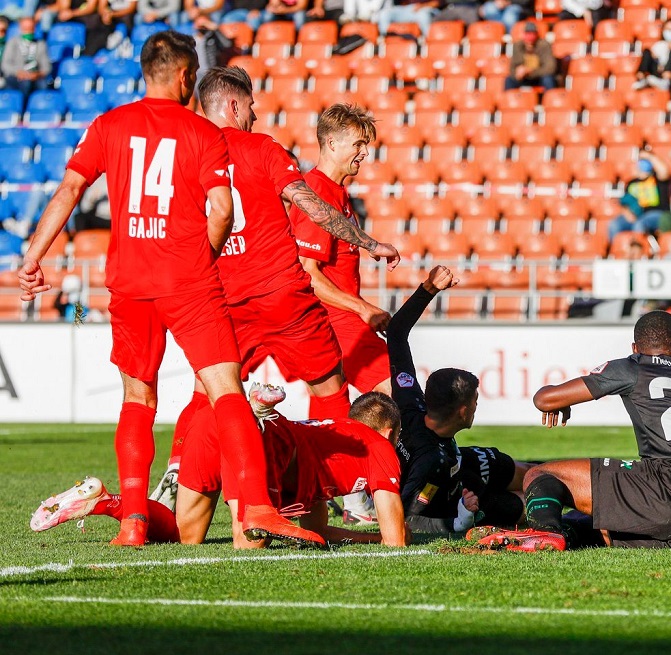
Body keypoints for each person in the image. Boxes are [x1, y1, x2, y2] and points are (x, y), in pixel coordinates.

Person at [17, 31, 317, 549]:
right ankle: (259, 509)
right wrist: (203, 257)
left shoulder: (109, 124)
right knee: (226, 389)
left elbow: (69, 188)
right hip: (188, 281)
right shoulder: (202, 132)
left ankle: (134, 519)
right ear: (185, 77)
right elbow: (221, 210)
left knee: (138, 397)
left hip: (130, 283)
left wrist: (33, 256)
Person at [147, 67, 403, 511]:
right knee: (330, 391)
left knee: (208, 391)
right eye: (250, 107)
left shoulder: (185, 156)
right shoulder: (262, 148)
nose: (255, 115)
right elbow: (307, 206)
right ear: (232, 105)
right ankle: (335, 484)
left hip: (222, 298)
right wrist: (369, 243)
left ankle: (178, 473)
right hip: (281, 295)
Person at [470, 310, 671, 552]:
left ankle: (544, 533)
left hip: (666, 485)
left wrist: (561, 403)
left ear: (635, 346)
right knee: (594, 526)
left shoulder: (634, 366)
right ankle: (559, 533)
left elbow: (544, 399)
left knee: (540, 474)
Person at [31, 390, 410, 548]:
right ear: (389, 431)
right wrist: (386, 538)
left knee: (184, 536)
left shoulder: (333, 435)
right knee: (251, 542)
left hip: (214, 425)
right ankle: (257, 416)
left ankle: (108, 502)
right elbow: (397, 540)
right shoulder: (378, 445)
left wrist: (369, 539)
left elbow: (318, 530)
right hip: (262, 444)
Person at [386, 266, 532, 535]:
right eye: (475, 403)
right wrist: (458, 521)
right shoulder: (429, 462)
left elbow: (395, 333)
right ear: (462, 411)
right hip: (451, 498)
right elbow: (405, 519)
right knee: (527, 506)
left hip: (460, 465)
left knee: (530, 474)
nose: (477, 408)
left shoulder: (410, 402)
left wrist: (429, 289)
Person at [289, 103, 394, 401]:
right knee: (394, 392)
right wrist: (362, 308)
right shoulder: (319, 193)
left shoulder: (337, 193)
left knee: (336, 409)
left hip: (342, 317)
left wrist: (367, 245)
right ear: (332, 144)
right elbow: (307, 272)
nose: (364, 153)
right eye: (358, 144)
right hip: (334, 320)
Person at [607, 150, 671, 241]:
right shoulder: (631, 183)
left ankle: (638, 251)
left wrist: (649, 156)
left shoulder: (657, 179)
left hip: (656, 213)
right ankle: (616, 251)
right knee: (614, 225)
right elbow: (625, 203)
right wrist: (628, 214)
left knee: (639, 224)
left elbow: (664, 171)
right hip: (636, 214)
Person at [633, 16, 671, 91]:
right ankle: (642, 79)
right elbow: (654, 56)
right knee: (646, 51)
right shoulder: (659, 44)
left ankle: (665, 82)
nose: (670, 32)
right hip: (659, 70)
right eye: (668, 29)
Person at [0, 16, 48, 96]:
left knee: (42, 85)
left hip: (35, 77)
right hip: (15, 76)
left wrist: (37, 74)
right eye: (26, 28)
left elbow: (47, 67)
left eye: (31, 28)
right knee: (23, 84)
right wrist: (19, 73)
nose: (28, 31)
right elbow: (6, 65)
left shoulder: (40, 44)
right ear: (21, 29)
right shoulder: (12, 43)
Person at [504, 21, 556, 91]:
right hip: (524, 78)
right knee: (509, 80)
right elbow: (512, 67)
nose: (530, 38)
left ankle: (549, 100)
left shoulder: (544, 45)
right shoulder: (517, 46)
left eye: (532, 34)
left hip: (539, 77)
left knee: (548, 79)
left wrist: (530, 71)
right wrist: (517, 73)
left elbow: (550, 68)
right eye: (527, 34)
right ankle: (509, 100)